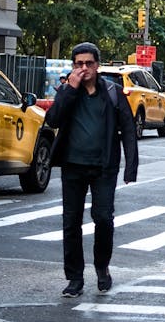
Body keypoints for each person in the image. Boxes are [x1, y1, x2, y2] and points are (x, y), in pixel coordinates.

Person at [45, 41, 138, 298]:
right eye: (78, 64)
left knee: (103, 219)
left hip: (103, 168)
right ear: (73, 66)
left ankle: (102, 268)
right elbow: (52, 120)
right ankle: (74, 278)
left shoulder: (112, 92)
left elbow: (128, 129)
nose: (83, 68)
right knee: (70, 223)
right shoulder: (68, 91)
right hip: (72, 167)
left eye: (88, 63)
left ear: (97, 66)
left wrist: (131, 167)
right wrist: (70, 90)